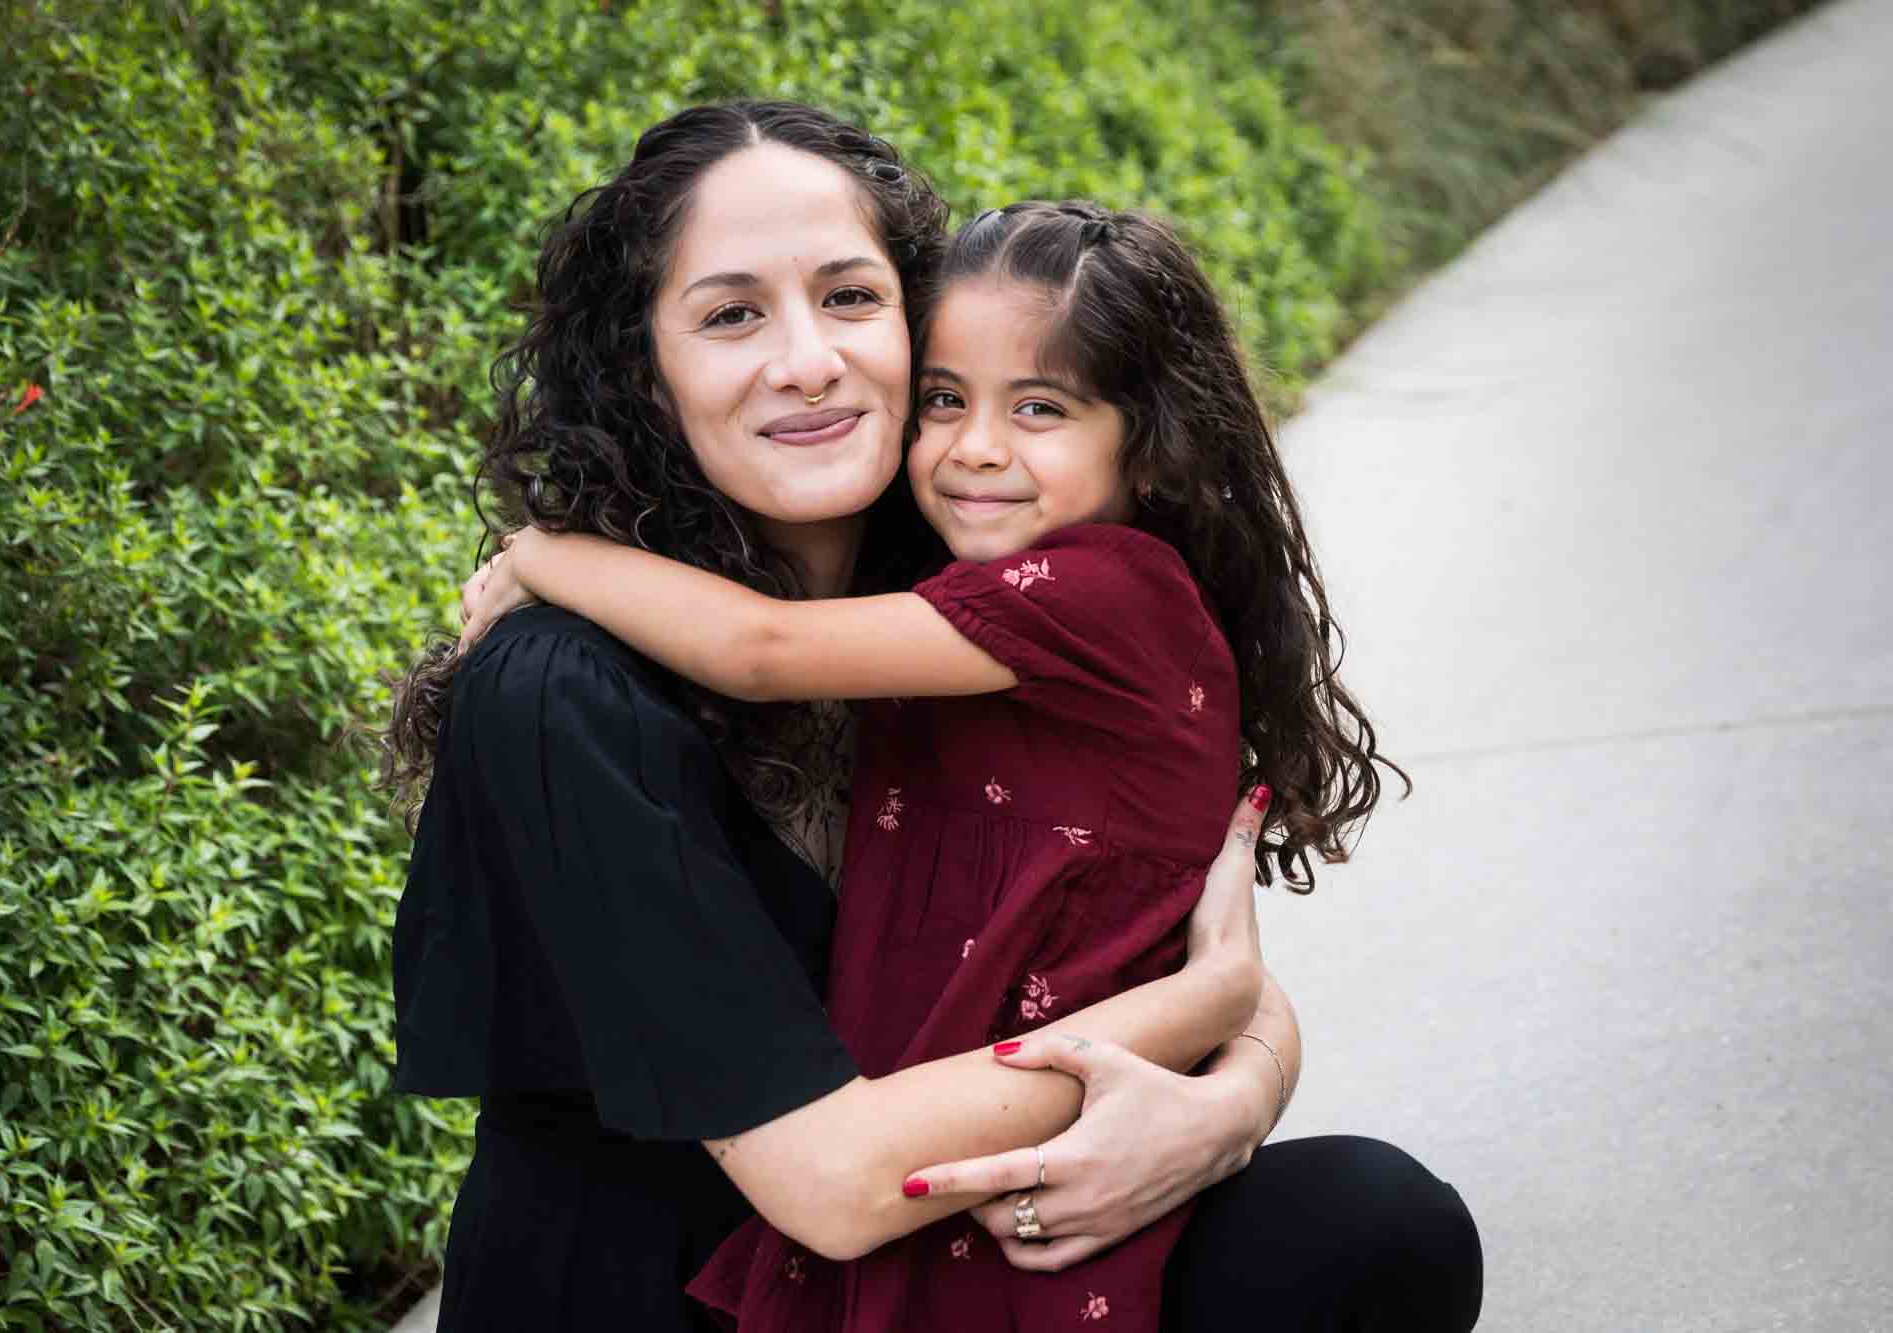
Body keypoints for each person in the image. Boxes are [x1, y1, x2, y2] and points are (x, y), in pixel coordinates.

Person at [392, 100, 1481, 1332]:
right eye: (731, 313)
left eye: (849, 298)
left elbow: (1166, 923)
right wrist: (1202, 1013)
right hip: (685, 1291)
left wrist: (1224, 1103)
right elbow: (837, 1184)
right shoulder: (559, 693)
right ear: (644, 372)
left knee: (1371, 1227)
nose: (806, 358)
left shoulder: (966, 572)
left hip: (933, 1269)